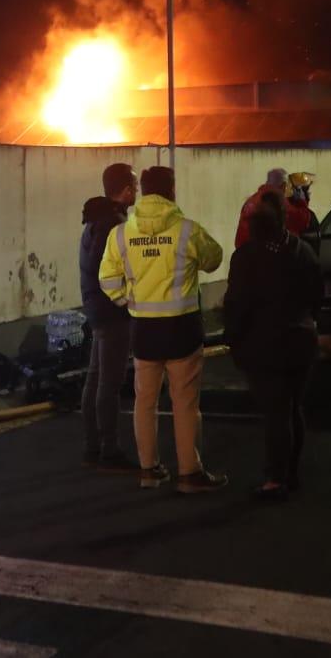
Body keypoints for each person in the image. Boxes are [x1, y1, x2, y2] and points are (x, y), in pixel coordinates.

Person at [99, 164, 227, 493]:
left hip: (143, 330)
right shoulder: (186, 230)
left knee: (145, 402)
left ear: (142, 191)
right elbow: (214, 259)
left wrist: (127, 300)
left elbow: (107, 278)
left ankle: (149, 470)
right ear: (171, 191)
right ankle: (189, 472)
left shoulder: (122, 233)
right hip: (182, 328)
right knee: (184, 404)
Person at [221, 188, 324, 501]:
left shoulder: (246, 257)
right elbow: (317, 296)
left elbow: (236, 305)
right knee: (293, 409)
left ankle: (275, 479)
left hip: (263, 347)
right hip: (301, 342)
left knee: (276, 414)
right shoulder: (302, 250)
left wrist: (233, 340)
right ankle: (290, 474)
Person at [78, 162, 137, 472]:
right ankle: (108, 449)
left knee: (96, 378)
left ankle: (91, 447)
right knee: (108, 383)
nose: (137, 192)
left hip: (96, 310)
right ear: (126, 190)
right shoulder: (113, 225)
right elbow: (112, 271)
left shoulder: (94, 220)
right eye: (135, 187)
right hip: (111, 312)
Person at [237, 167, 291, 248]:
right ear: (283, 186)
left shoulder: (251, 200)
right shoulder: (278, 202)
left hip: (243, 251)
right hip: (262, 252)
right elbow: (302, 220)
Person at [284, 172, 318, 239]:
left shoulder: (305, 212)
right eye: (305, 189)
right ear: (294, 191)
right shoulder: (294, 212)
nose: (308, 193)